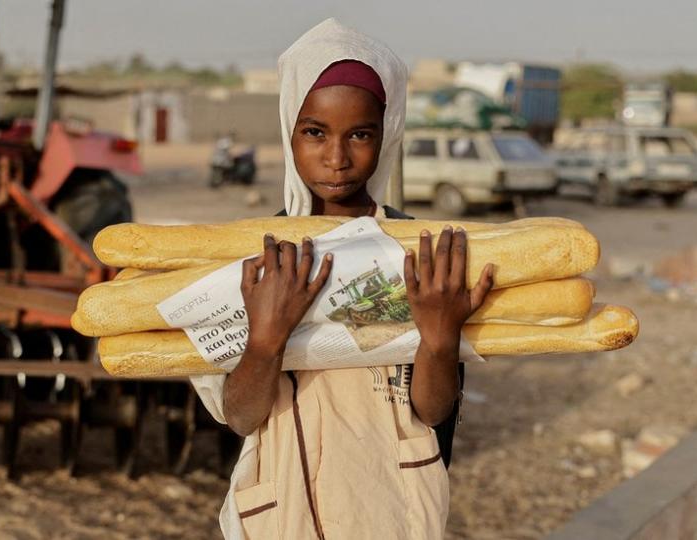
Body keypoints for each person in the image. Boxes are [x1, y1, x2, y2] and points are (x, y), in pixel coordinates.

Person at [190, 19, 494, 539]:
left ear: (388, 132)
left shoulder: (415, 253)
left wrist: (441, 339)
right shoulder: (256, 259)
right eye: (315, 132)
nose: (336, 157)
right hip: (283, 510)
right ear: (289, 130)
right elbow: (240, 418)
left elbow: (433, 410)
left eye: (360, 134)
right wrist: (266, 340)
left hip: (393, 509)